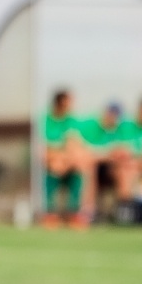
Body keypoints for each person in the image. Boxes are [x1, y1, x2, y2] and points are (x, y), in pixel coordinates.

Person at [41, 89, 91, 228]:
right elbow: (43, 148)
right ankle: (50, 212)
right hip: (49, 163)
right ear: (59, 103)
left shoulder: (71, 121)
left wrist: (66, 161)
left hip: (66, 163)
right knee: (53, 168)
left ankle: (74, 213)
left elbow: (75, 144)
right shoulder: (45, 120)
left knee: (77, 170)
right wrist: (58, 158)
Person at [80, 102, 136, 223]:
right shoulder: (92, 126)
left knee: (125, 169)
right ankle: (89, 211)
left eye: (116, 115)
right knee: (89, 169)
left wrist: (115, 155)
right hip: (96, 168)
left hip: (112, 169)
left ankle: (124, 210)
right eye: (111, 114)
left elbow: (126, 151)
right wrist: (107, 154)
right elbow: (87, 153)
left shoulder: (121, 130)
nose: (113, 118)